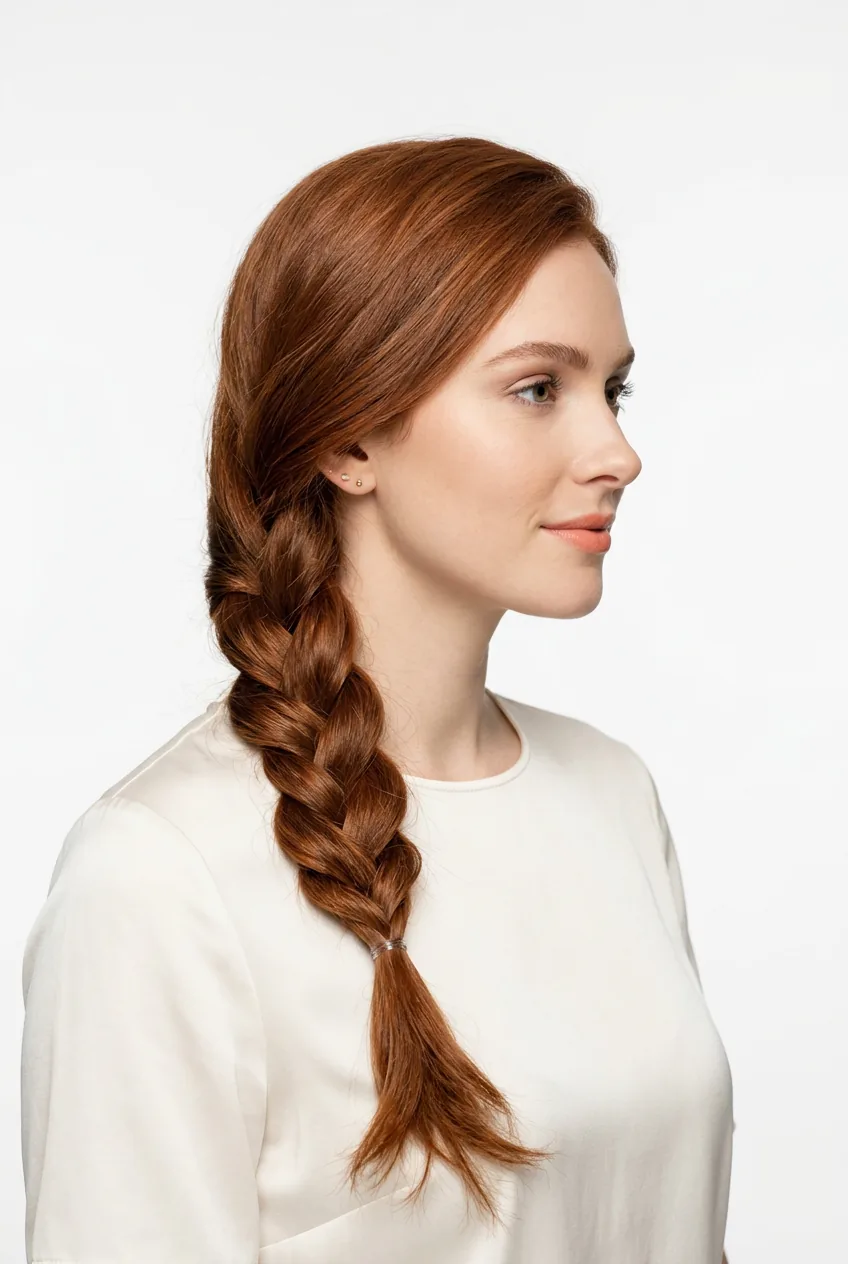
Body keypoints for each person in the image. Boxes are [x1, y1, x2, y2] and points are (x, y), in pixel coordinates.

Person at [20, 135, 735, 1264]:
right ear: (351, 434)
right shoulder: (159, 876)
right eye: (538, 388)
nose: (615, 451)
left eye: (613, 387)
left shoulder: (611, 795)